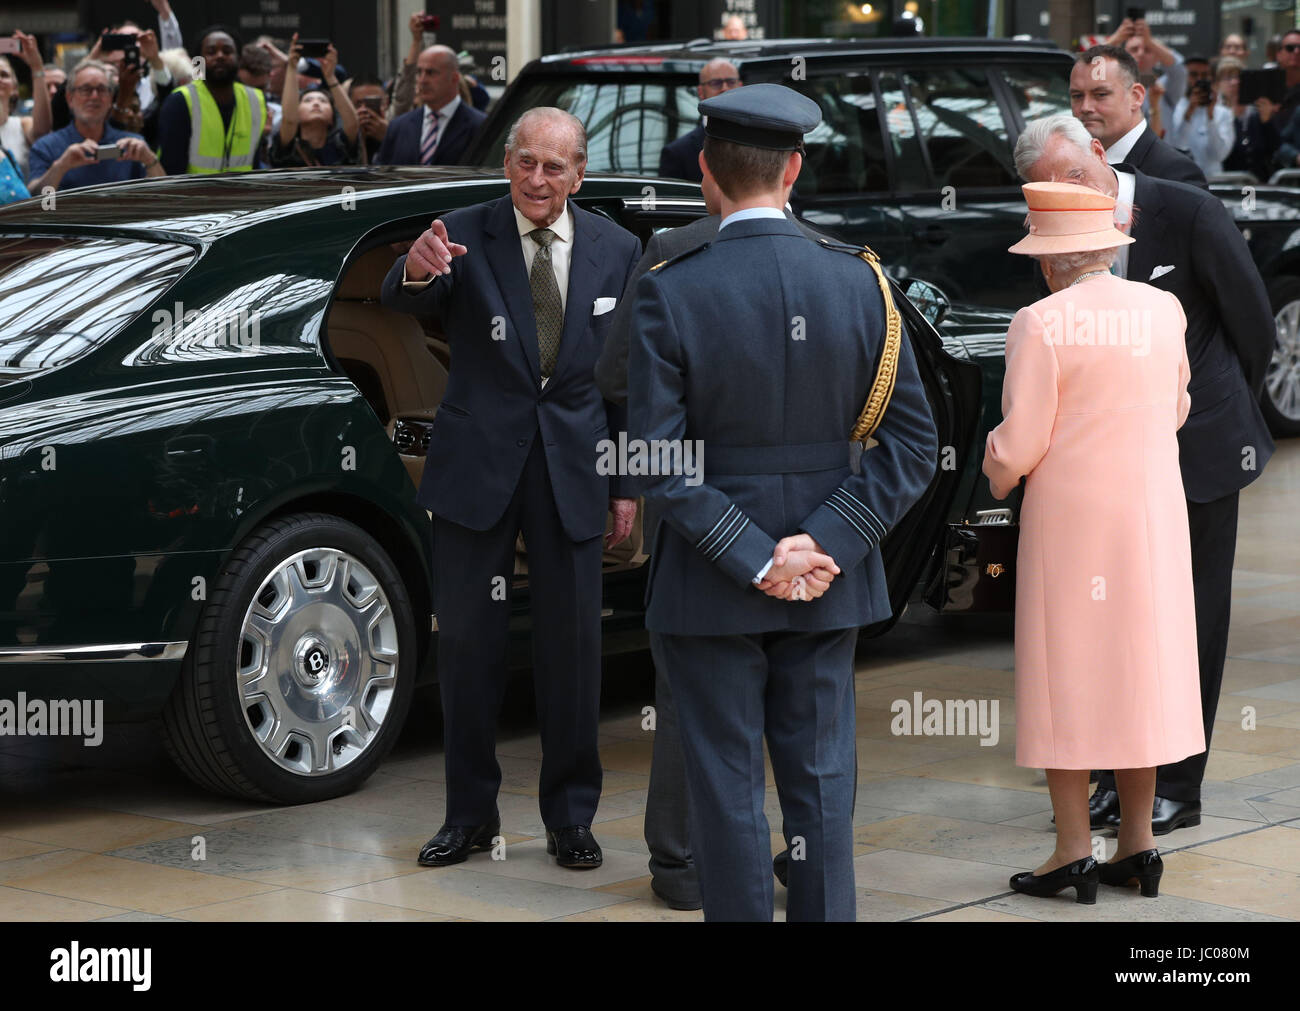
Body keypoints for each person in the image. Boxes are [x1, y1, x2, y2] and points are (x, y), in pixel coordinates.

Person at [627, 83, 937, 921]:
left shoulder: (670, 285)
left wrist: (758, 555)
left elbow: (657, 456)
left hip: (707, 583)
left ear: (706, 172)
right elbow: (914, 445)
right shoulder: (860, 280)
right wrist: (824, 540)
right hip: (830, 580)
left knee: (725, 791)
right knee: (824, 788)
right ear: (794, 169)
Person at [380, 107, 640, 870]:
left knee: (573, 649)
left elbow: (623, 382)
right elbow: (407, 294)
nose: (537, 178)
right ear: (507, 165)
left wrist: (626, 482)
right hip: (476, 470)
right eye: (525, 162)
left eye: (554, 167)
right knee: (466, 648)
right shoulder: (460, 229)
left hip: (575, 471)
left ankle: (570, 818)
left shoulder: (619, 248)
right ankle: (467, 817)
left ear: (579, 175)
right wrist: (418, 267)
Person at [1014, 115, 1275, 837]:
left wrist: (1223, 420)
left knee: (1189, 623)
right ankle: (1112, 780)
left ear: (1099, 156)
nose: (1064, 194)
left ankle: (1178, 787)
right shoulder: (1048, 229)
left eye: (1073, 177)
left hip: (1198, 451)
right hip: (1102, 476)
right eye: (1045, 188)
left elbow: (1254, 324)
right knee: (1108, 627)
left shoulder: (1186, 207)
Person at [985, 180, 1204, 904]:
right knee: (1138, 670)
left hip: (1072, 526)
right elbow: (1176, 407)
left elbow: (1018, 445)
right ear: (1108, 246)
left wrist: (993, 469)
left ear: (1050, 259)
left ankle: (1073, 850)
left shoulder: (1039, 322)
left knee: (1066, 673)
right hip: (1152, 519)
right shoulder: (1162, 308)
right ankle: (1137, 844)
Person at [1071, 45, 1206, 187]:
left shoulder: (1177, 174)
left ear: (1136, 97)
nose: (1085, 107)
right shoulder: (1069, 165)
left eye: (1101, 95)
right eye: (1077, 96)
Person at [27, 59, 163, 191]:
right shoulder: (46, 147)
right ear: (70, 98)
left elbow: (166, 199)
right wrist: (61, 167)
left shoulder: (133, 145)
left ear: (110, 98)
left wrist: (150, 160)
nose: (94, 96)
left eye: (102, 89)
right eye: (85, 89)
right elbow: (42, 204)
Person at [156, 26, 268, 176]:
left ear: (239, 59)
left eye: (227, 51)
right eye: (211, 52)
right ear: (199, 62)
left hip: (242, 196)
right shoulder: (180, 101)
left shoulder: (256, 99)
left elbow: (254, 162)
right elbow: (171, 168)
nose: (220, 56)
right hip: (193, 197)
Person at [376, 44, 485, 166]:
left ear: (454, 78)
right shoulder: (399, 127)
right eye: (419, 72)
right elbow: (383, 173)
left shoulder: (480, 127)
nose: (422, 80)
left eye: (431, 73)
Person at [269, 36, 359, 168]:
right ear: (297, 113)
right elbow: (289, 120)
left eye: (323, 101)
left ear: (332, 118)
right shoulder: (288, 146)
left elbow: (352, 123)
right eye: (308, 100)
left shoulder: (340, 146)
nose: (316, 103)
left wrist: (330, 76)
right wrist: (292, 67)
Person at [658, 58, 741, 182]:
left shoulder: (760, 143)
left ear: (741, 87)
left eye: (731, 82)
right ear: (701, 92)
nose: (725, 88)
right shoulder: (677, 153)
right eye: (716, 83)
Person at [1168, 56, 1234, 176]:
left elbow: (1218, 155)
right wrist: (1189, 113)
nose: (1199, 79)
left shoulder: (1223, 113)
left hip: (1213, 182)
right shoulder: (1174, 109)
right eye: (1193, 75)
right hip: (1182, 180)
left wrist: (1210, 117)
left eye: (1204, 75)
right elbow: (1177, 147)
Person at [1220, 57, 1280, 181]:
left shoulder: (1257, 112)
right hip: (1225, 185)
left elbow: (1275, 149)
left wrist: (1267, 122)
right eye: (1228, 78)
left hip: (1257, 187)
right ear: (1217, 84)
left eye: (1239, 77)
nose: (1234, 82)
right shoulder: (1215, 114)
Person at [0, 31, 51, 178]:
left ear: (15, 88)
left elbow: (42, 132)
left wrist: (37, 67)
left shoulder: (22, 125)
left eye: (4, 75)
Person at [349, 76, 389, 164]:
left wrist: (389, 137)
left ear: (386, 102)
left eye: (373, 103)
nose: (365, 109)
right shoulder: (343, 138)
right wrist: (359, 139)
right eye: (359, 104)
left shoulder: (400, 131)